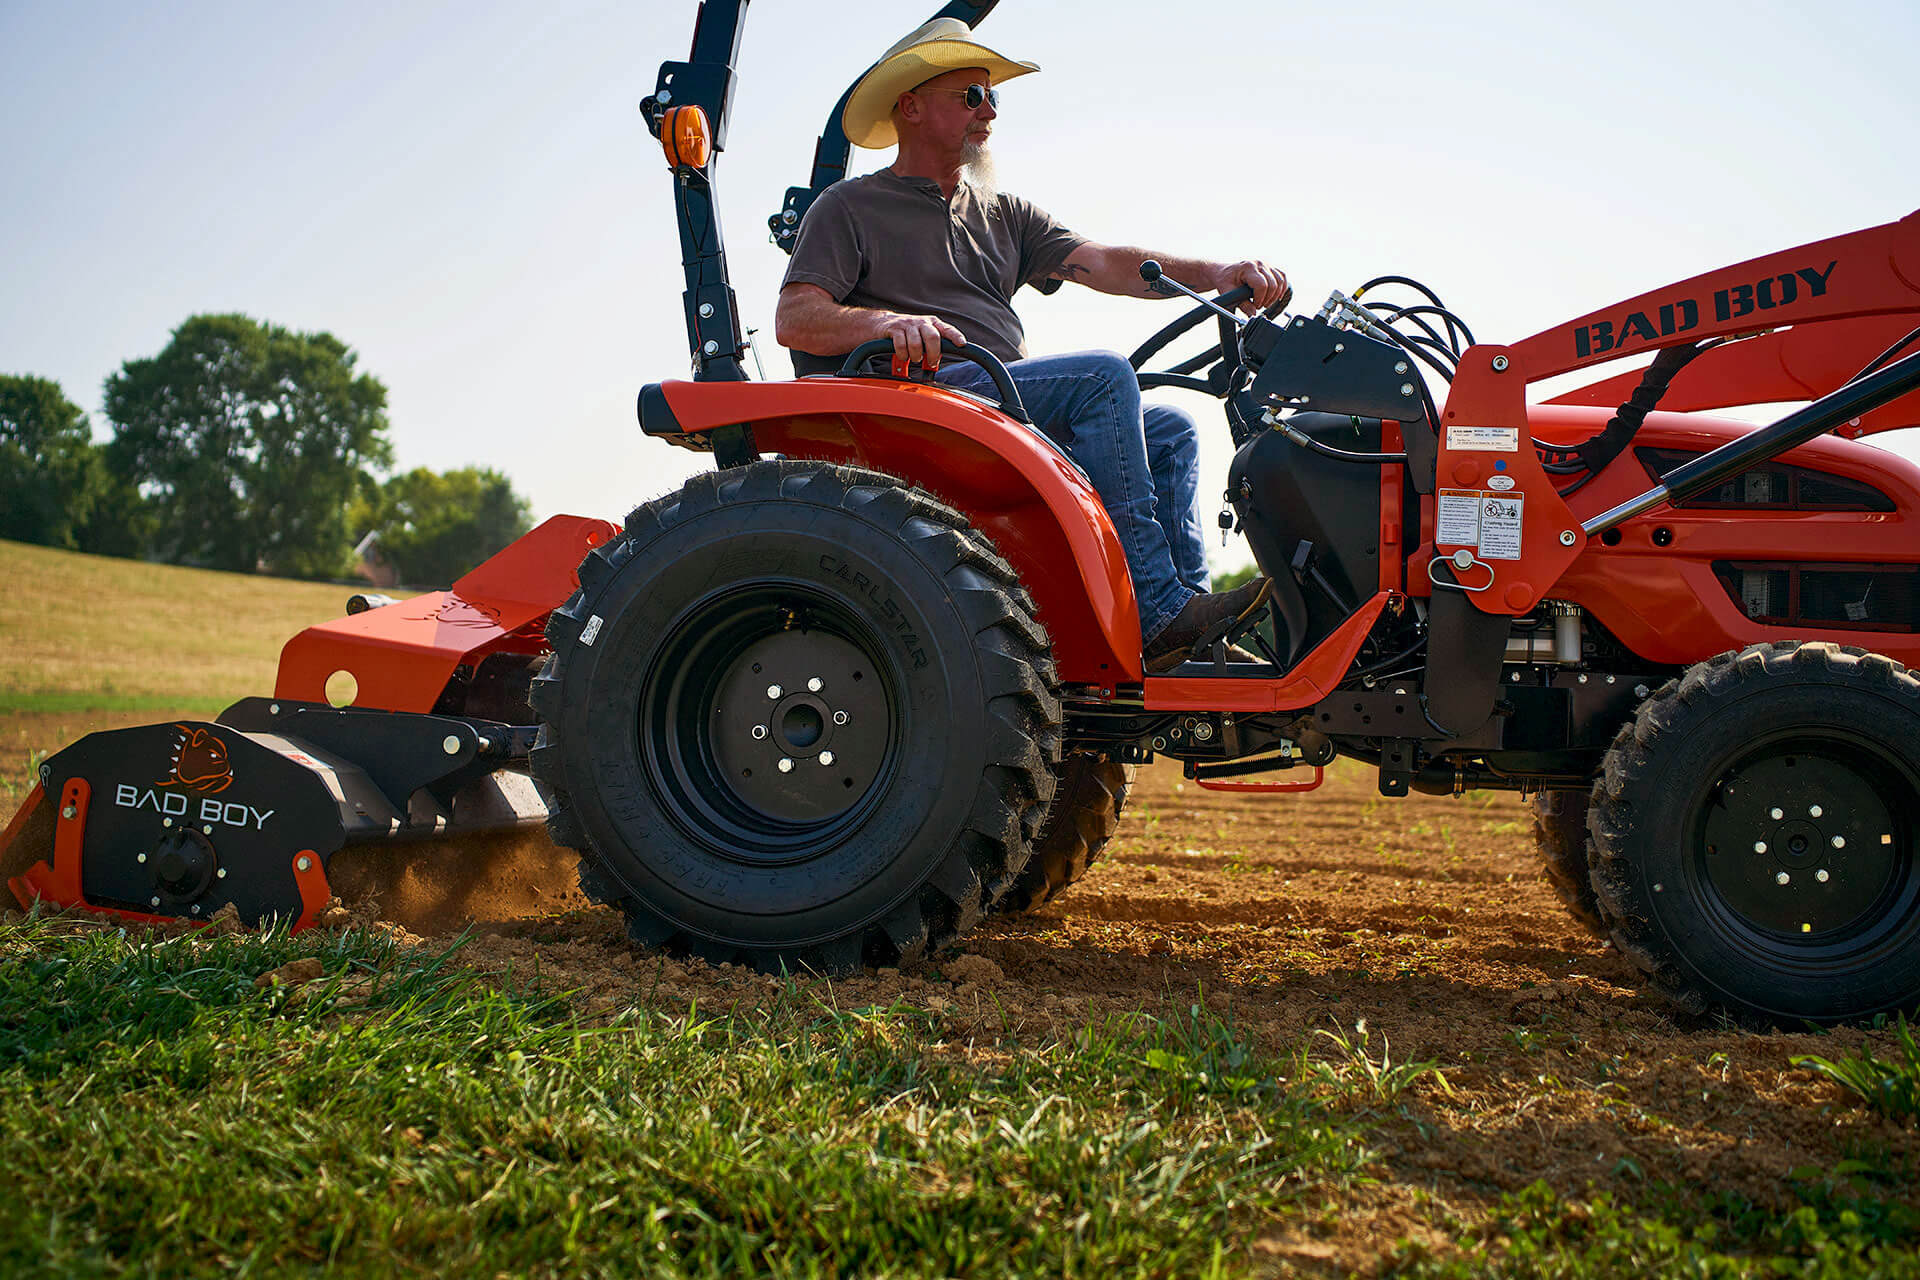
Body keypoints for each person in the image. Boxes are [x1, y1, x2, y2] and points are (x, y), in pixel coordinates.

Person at [774, 19, 1286, 670]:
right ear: (911, 106)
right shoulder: (849, 208)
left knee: (1169, 431)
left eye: (993, 97)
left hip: (997, 400)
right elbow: (796, 317)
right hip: (922, 399)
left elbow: (1106, 262)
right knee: (1102, 378)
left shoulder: (1005, 214)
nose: (989, 112)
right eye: (972, 96)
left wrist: (1214, 274)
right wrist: (884, 324)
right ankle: (1157, 613)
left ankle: (1189, 637)